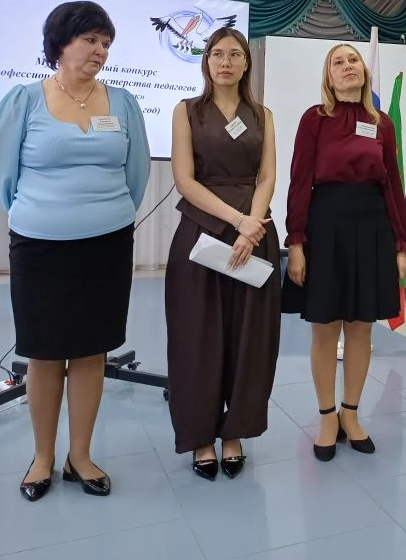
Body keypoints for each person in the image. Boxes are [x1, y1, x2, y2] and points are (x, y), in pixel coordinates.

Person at [0, 1, 150, 501]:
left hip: (107, 245)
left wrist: (107, 212)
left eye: (106, 43)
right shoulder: (24, 100)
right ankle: (42, 458)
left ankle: (81, 455)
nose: (100, 51)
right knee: (46, 352)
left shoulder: (124, 102)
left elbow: (136, 173)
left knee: (93, 349)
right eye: (90, 40)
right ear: (60, 43)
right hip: (40, 247)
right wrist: (39, 212)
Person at [282, 43, 406, 462]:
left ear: (363, 70)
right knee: (324, 328)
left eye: (352, 59)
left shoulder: (381, 123)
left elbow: (392, 185)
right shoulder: (315, 119)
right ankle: (326, 417)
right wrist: (296, 242)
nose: (347, 66)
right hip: (325, 227)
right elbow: (299, 180)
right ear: (329, 76)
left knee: (360, 328)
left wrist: (402, 243)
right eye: (337, 62)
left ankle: (351, 414)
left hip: (372, 228)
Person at [164, 28, 279, 481]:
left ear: (246, 62)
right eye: (217, 54)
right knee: (198, 338)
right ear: (206, 61)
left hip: (256, 232)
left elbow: (267, 176)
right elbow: (184, 180)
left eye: (234, 54)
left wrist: (252, 226)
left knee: (250, 341)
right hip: (202, 233)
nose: (225, 62)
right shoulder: (186, 111)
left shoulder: (263, 114)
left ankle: (235, 433)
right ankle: (200, 436)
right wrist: (237, 221)